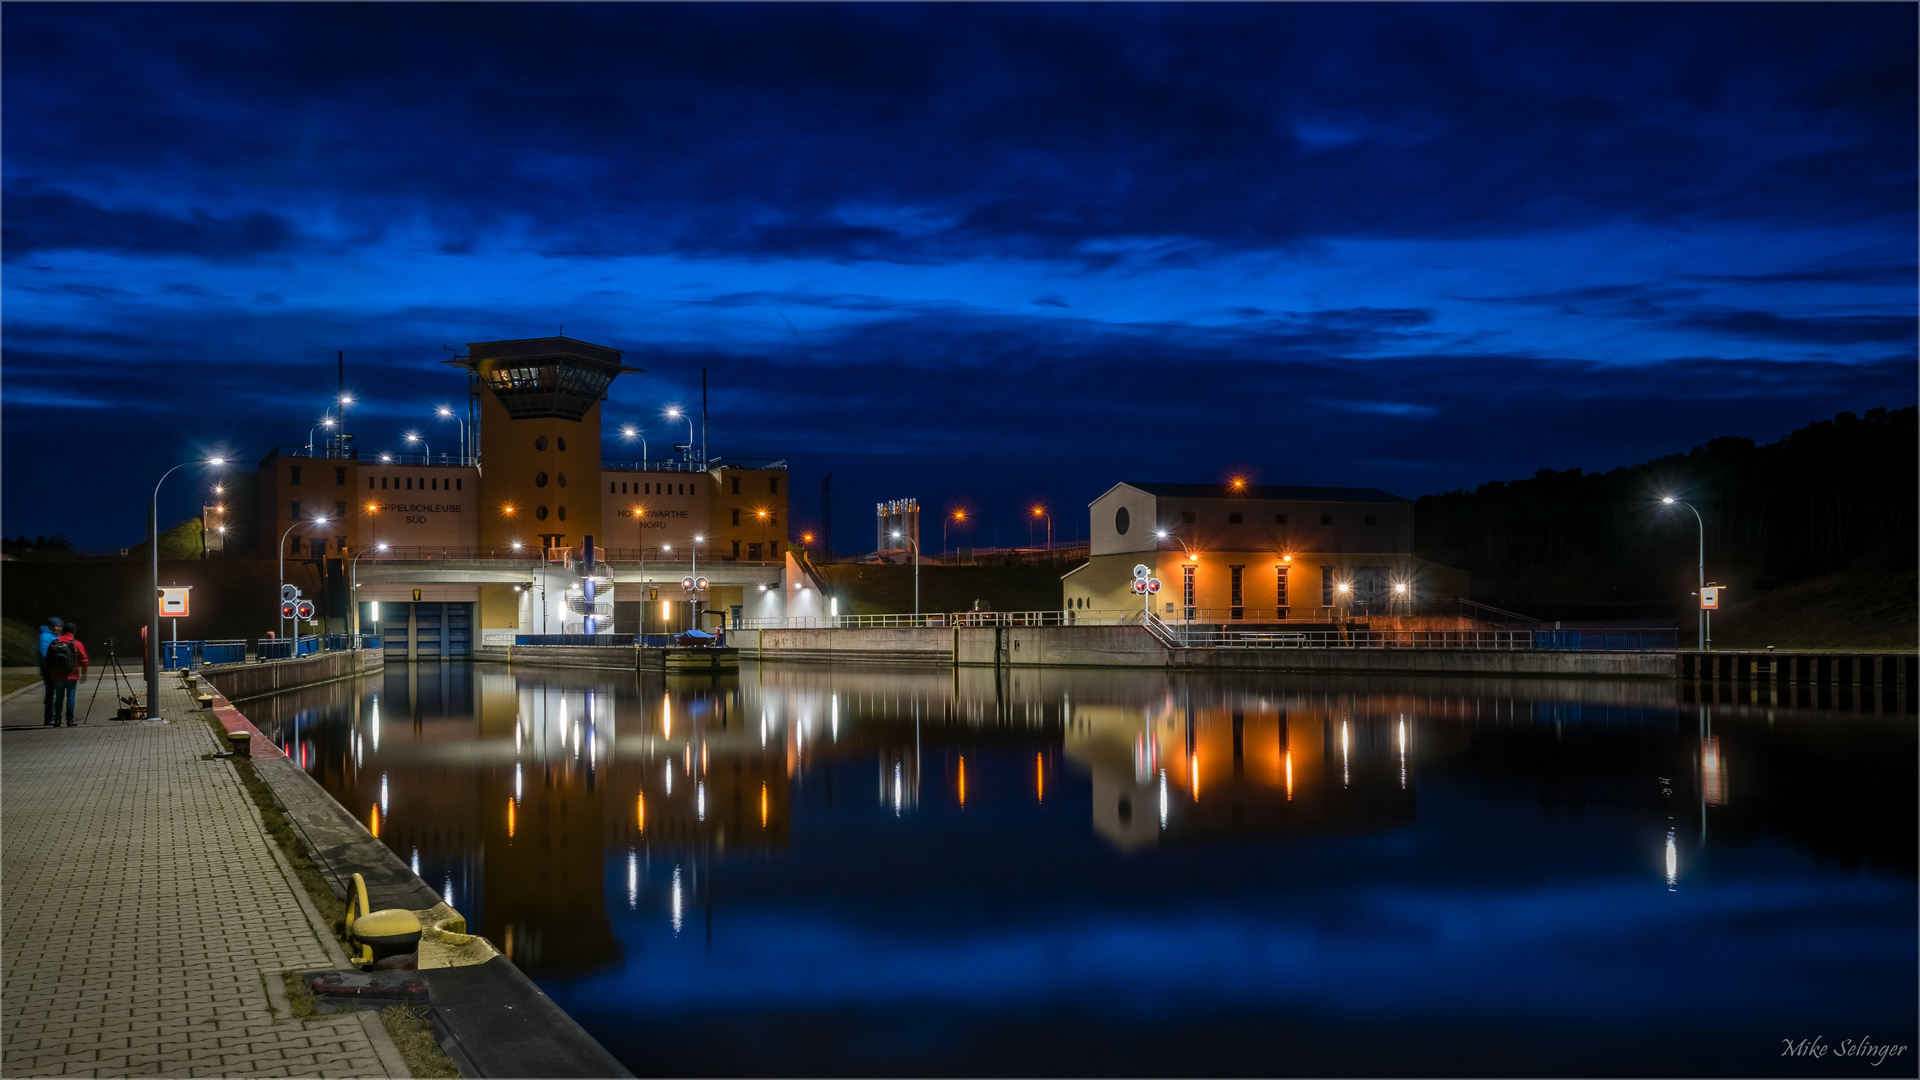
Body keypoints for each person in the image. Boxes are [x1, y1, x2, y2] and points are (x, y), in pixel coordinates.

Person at [43, 623, 89, 727]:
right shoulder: (76, 643)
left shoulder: (55, 642)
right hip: (72, 674)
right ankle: (70, 720)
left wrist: (48, 673)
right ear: (74, 632)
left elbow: (48, 659)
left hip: (58, 674)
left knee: (59, 697)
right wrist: (84, 673)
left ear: (63, 631)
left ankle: (57, 720)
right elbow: (84, 660)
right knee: (70, 696)